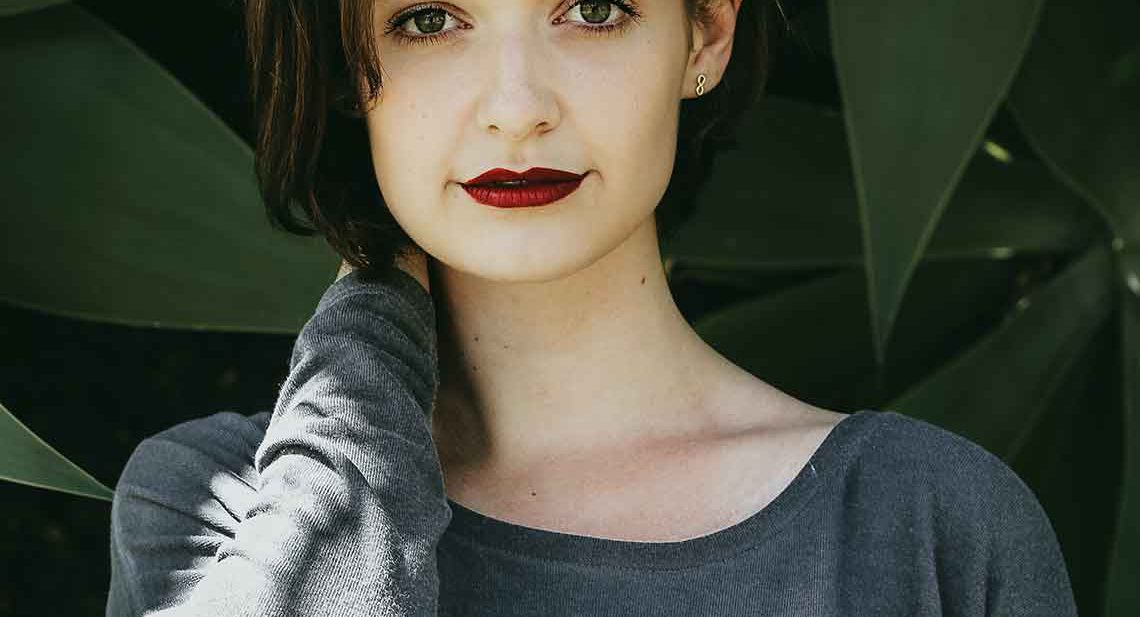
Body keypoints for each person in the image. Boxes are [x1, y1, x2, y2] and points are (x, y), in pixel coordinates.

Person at [105, 0, 1079, 615]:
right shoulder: (219, 510)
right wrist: (376, 310)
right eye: (431, 20)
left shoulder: (931, 523)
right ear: (342, 61)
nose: (517, 106)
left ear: (706, 33)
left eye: (593, 9)